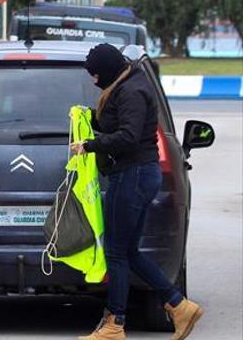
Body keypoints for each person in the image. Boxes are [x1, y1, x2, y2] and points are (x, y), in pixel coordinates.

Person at [70, 43, 203, 340]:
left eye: (94, 75)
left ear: (106, 72)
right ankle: (179, 306)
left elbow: (128, 136)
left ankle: (114, 325)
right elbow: (117, 121)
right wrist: (88, 117)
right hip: (136, 174)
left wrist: (88, 146)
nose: (93, 81)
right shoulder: (127, 84)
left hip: (132, 176)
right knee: (128, 251)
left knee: (116, 253)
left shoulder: (131, 91)